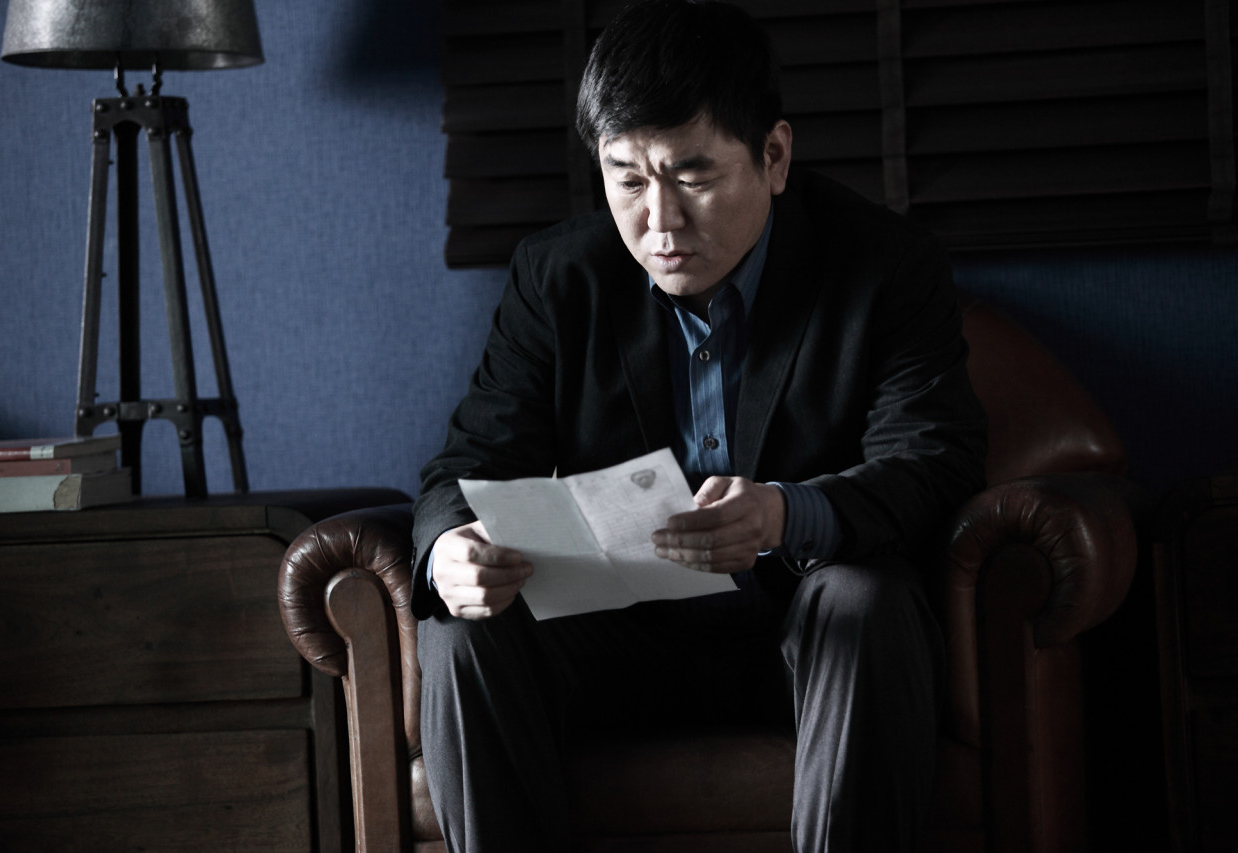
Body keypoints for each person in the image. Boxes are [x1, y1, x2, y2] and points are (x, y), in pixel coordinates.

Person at [410, 1, 987, 849]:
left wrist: (784, 512)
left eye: (694, 176)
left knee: (865, 598)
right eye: (628, 179)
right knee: (460, 631)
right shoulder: (557, 277)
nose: (660, 221)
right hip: (620, 644)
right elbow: (467, 466)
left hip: (808, 634)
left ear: (774, 156)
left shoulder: (884, 264)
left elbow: (934, 458)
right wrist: (448, 550)